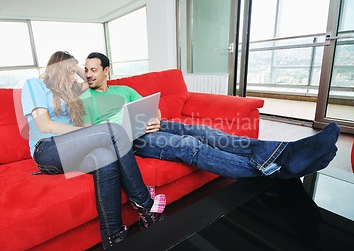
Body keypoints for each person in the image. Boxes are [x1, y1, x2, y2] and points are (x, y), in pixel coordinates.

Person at [81, 52, 340, 180]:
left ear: (106, 70)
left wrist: (155, 117)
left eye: (94, 69)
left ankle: (286, 152)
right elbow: (88, 132)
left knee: (206, 132)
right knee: (190, 145)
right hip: (131, 141)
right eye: (86, 70)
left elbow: (152, 108)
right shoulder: (85, 99)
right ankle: (275, 170)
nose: (89, 74)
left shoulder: (124, 90)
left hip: (150, 127)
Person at [21, 51, 165, 249]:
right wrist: (84, 133)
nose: (76, 76)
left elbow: (89, 80)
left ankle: (113, 237)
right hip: (47, 150)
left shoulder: (69, 90)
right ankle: (146, 206)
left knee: (105, 156)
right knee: (113, 131)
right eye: (72, 72)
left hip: (72, 147)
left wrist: (76, 66)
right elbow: (44, 125)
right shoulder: (34, 84)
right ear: (59, 70)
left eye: (75, 72)